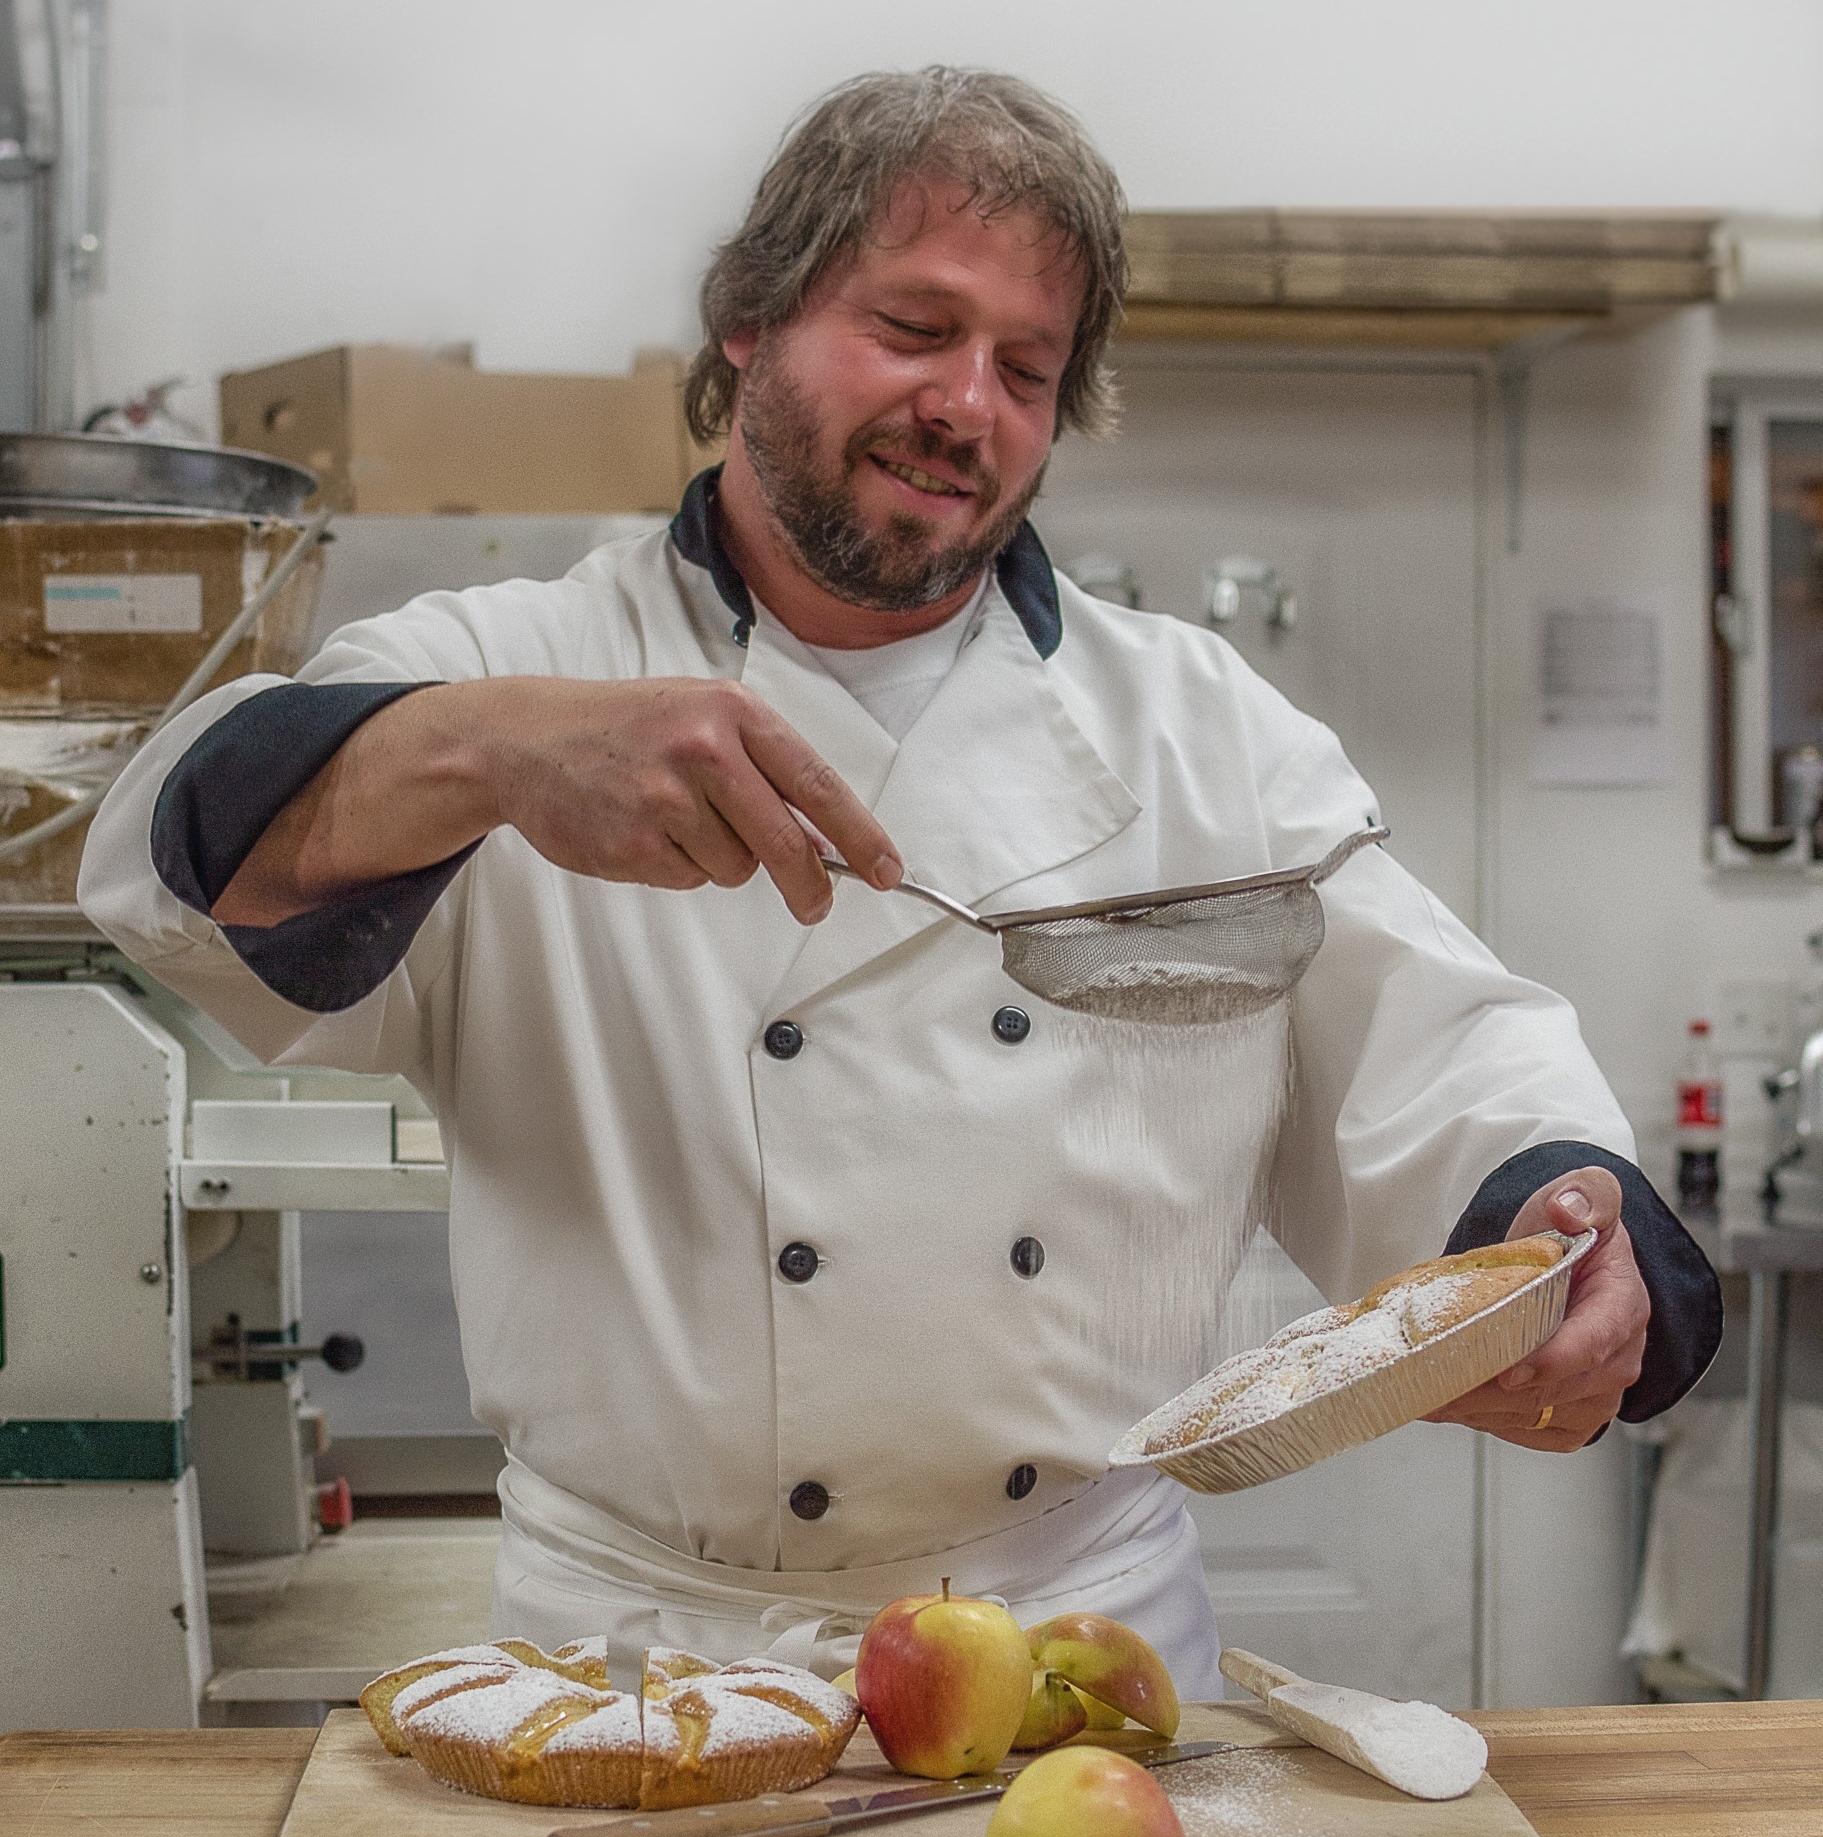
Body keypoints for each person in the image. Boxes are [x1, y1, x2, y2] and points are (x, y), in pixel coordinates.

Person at [80, 67, 1718, 1695]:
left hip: (1076, 1652)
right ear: (748, 322)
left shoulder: (1205, 733)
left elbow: (1442, 1052)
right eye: (917, 329)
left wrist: (1563, 1226)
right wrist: (493, 757)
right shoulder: (519, 666)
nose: (969, 406)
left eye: (1027, 365)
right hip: (639, 1668)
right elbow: (163, 854)